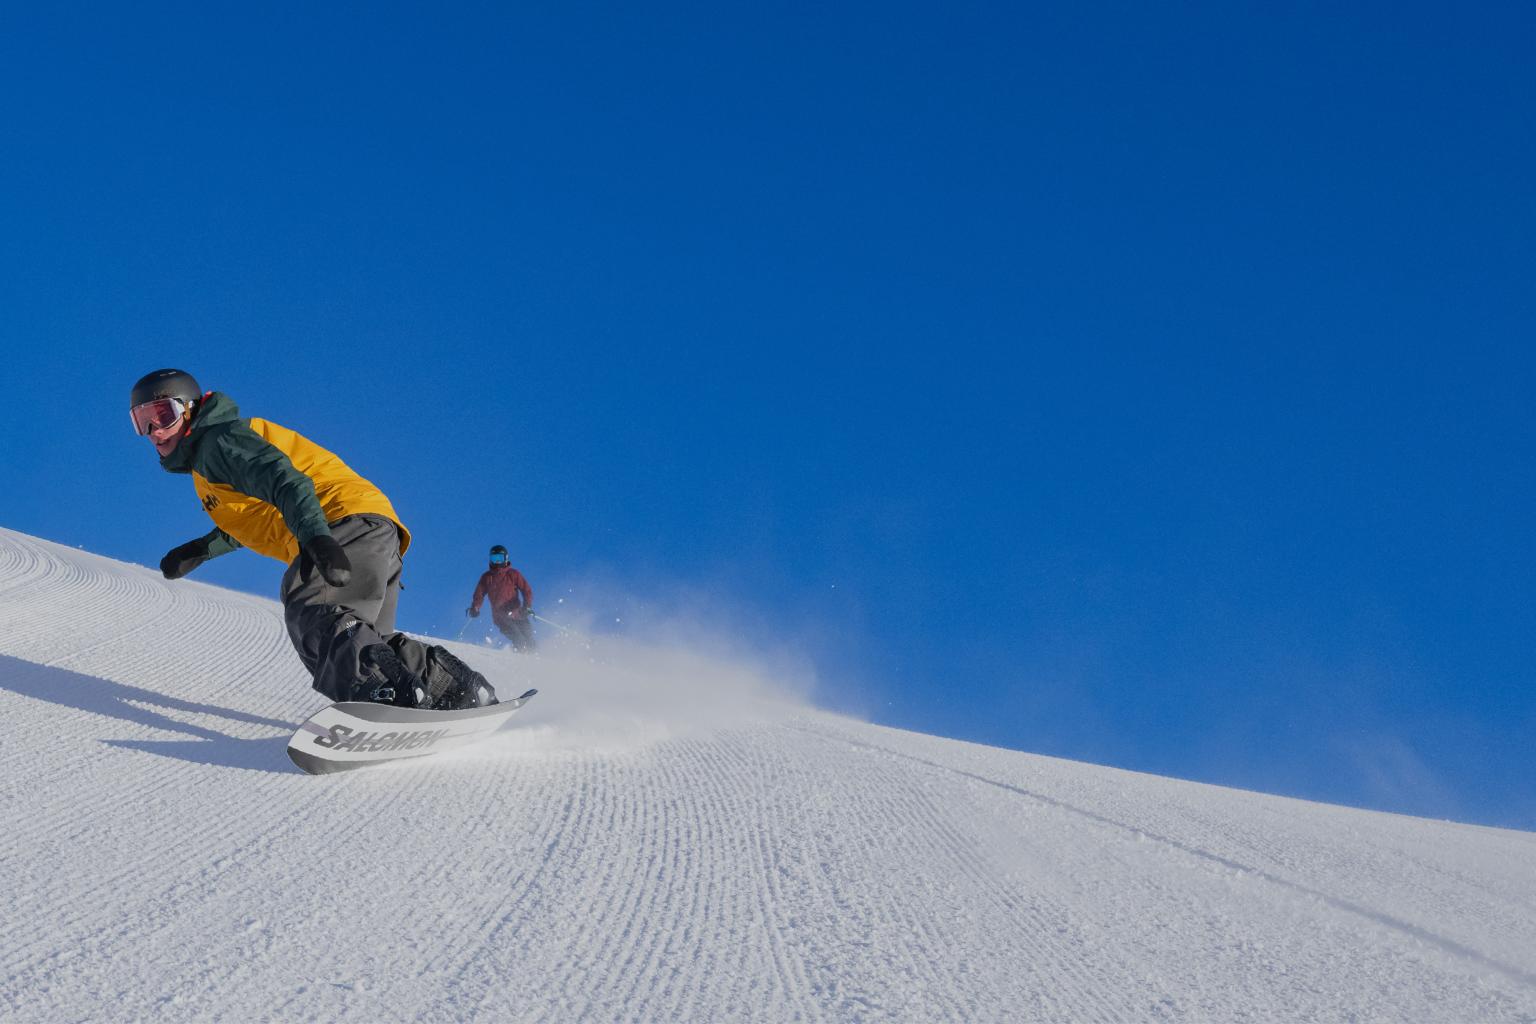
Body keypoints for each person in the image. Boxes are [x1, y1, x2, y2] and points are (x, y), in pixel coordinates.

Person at [129, 368, 496, 709]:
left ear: (191, 410)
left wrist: (319, 539)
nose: (155, 432)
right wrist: (201, 550)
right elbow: (258, 515)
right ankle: (455, 688)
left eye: (163, 415)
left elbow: (284, 481)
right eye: (142, 422)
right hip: (370, 529)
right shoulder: (208, 466)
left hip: (339, 522)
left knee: (315, 613)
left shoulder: (218, 440)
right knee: (363, 640)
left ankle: (382, 700)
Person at [467, 545, 535, 651]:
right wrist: (475, 607)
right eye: (494, 558)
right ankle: (521, 657)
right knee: (518, 638)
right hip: (501, 617)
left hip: (518, 613)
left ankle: (535, 659)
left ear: (506, 558)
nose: (497, 562)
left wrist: (527, 606)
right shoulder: (487, 577)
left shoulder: (513, 574)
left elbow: (527, 590)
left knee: (529, 638)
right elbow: (479, 594)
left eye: (500, 558)